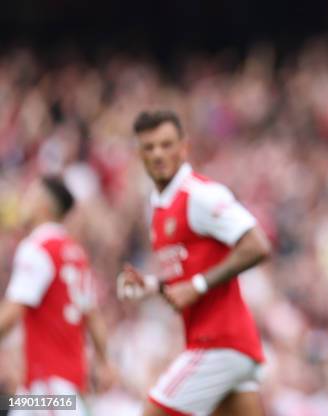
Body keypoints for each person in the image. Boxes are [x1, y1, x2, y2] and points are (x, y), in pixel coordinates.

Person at [118, 110, 271, 416]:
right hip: (232, 348)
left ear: (184, 147)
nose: (158, 154)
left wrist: (198, 285)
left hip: (218, 344)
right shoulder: (158, 206)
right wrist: (150, 286)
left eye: (166, 144)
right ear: (139, 154)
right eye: (149, 147)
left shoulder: (199, 194)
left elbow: (257, 245)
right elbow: (186, 277)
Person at [0, 176, 112, 416]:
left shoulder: (38, 247)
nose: (24, 201)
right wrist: (104, 363)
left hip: (49, 385)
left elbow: (11, 313)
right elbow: (93, 317)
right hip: (51, 386)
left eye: (30, 194)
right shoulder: (75, 253)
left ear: (43, 204)